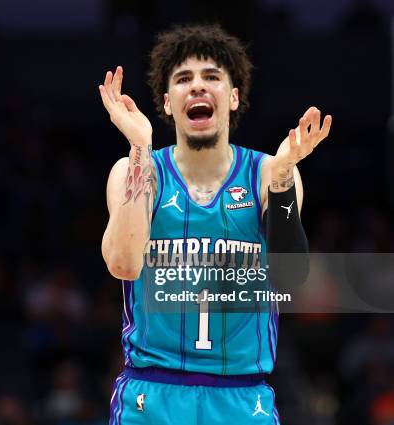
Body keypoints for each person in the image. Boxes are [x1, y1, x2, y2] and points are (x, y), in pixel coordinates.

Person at [99, 24, 332, 424]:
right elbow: (123, 264)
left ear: (234, 97)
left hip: (242, 397)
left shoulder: (269, 174)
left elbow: (290, 276)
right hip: (152, 396)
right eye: (183, 79)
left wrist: (281, 182)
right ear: (168, 102)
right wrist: (140, 147)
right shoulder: (137, 170)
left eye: (212, 77)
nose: (198, 87)